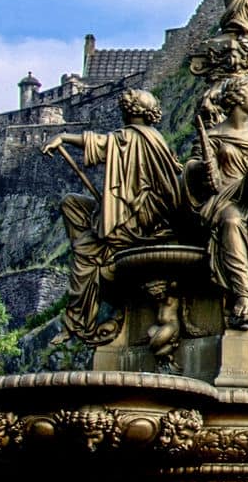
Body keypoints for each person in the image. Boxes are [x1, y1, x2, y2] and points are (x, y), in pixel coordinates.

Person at [43, 89, 182, 345]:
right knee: (72, 204)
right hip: (138, 213)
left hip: (135, 221)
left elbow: (99, 142)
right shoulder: (155, 138)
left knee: (84, 256)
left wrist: (62, 136)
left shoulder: (131, 137)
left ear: (129, 111)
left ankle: (77, 323)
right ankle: (95, 243)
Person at [188, 75, 248, 330]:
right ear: (239, 98)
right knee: (231, 222)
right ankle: (243, 297)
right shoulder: (213, 135)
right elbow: (192, 171)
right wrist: (202, 168)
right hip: (225, 198)